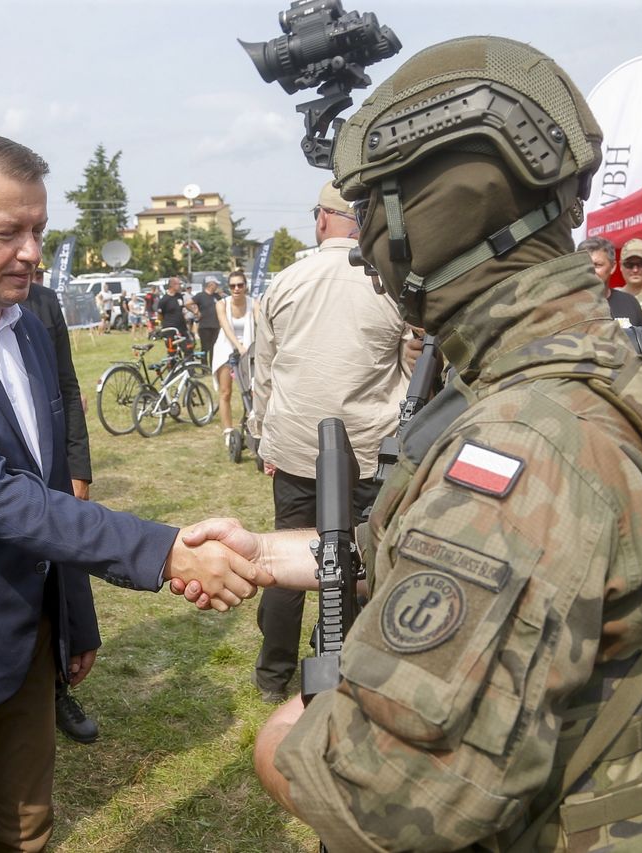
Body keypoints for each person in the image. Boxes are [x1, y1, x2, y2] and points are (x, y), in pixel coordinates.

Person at [177, 35, 642, 851]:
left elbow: (386, 802)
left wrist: (283, 737)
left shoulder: (526, 443)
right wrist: (280, 553)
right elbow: (467, 552)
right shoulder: (589, 366)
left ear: (416, 224)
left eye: (375, 207)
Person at [0, 132, 268, 851]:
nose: (33, 252)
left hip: (27, 643)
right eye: (8, 232)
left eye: (39, 229)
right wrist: (165, 550)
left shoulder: (35, 327)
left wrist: (73, 618)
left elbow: (49, 486)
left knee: (25, 830)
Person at [248, 181, 411, 704]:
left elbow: (264, 373)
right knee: (360, 558)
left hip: (297, 446)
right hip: (369, 450)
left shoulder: (285, 282)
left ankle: (273, 674)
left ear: (322, 219)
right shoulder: (389, 285)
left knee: (287, 557)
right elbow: (414, 368)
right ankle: (353, 665)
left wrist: (262, 439)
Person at [23, 267, 100, 745]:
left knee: (60, 575)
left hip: (50, 469)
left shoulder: (44, 301)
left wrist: (78, 467)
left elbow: (68, 388)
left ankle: (57, 689)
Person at [211, 270, 255, 446]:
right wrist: (238, 347)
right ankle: (228, 431)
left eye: (240, 285)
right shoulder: (222, 304)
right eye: (232, 286)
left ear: (245, 286)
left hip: (249, 350)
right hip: (226, 349)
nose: (236, 289)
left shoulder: (254, 303)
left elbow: (261, 321)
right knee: (226, 392)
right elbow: (226, 327)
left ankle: (254, 424)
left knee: (254, 390)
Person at [578, 235, 642, 327]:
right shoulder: (566, 305)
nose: (591, 270)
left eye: (597, 265)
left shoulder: (630, 303)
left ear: (613, 267)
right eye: (585, 265)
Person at [193, 276, 222, 355]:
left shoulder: (217, 296)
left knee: (214, 348)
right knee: (205, 348)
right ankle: (204, 366)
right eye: (216, 284)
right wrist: (195, 311)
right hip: (204, 326)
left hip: (215, 326)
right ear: (211, 285)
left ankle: (213, 366)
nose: (217, 286)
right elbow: (188, 303)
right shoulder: (200, 295)